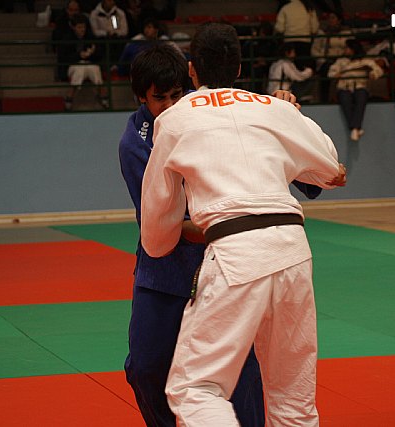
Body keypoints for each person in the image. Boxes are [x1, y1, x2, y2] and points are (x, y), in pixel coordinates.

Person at [140, 23, 346, 426]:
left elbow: (157, 222)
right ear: (238, 68)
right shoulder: (274, 108)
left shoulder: (175, 119)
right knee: (294, 399)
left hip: (235, 254)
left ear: (192, 70)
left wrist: (160, 242)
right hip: (293, 251)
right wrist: (293, 118)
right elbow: (332, 170)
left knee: (194, 389)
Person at [119, 42, 265, 427]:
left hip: (222, 267)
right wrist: (229, 224)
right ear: (141, 97)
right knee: (146, 367)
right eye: (159, 98)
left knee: (239, 369)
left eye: (176, 94)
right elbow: (162, 226)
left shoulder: (205, 115)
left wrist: (279, 104)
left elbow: (252, 120)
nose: (170, 105)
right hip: (164, 267)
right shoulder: (136, 143)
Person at [328, 39, 383, 141]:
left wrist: (373, 74)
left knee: (361, 99)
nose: (346, 50)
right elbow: (330, 73)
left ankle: (354, 128)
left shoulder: (365, 61)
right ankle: (356, 127)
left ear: (354, 49)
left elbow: (378, 70)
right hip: (344, 87)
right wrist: (336, 74)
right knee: (345, 100)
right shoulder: (341, 61)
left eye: (348, 48)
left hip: (360, 86)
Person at [58, 14, 108, 110]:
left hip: (89, 63)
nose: (82, 30)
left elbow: (99, 55)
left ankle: (102, 94)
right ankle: (70, 95)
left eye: (83, 27)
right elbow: (64, 58)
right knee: (80, 69)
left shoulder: (90, 37)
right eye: (79, 27)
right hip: (73, 65)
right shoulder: (67, 39)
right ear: (73, 27)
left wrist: (91, 53)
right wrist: (79, 55)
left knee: (94, 68)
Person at [274, 0, 319, 70]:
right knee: (303, 67)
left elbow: (279, 28)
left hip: (289, 42)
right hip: (305, 42)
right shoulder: (309, 9)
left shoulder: (285, 8)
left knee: (290, 67)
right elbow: (314, 29)